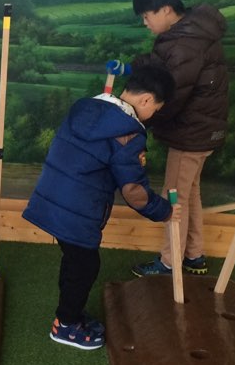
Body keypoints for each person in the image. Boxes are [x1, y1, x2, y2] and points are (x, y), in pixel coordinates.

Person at [22, 64, 180, 350]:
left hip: (51, 197)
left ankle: (70, 313)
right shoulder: (129, 133)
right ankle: (65, 325)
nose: (153, 115)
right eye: (156, 109)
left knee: (75, 260)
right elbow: (134, 191)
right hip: (78, 210)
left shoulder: (87, 107)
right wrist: (165, 212)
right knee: (84, 265)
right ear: (146, 99)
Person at [122, 0, 228, 278]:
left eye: (147, 16)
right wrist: (132, 68)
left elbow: (170, 97)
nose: (145, 23)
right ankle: (194, 255)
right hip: (203, 130)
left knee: (174, 198)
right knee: (189, 193)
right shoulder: (188, 33)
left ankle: (170, 263)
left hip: (189, 133)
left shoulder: (184, 44)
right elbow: (160, 64)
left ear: (166, 9)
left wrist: (138, 123)